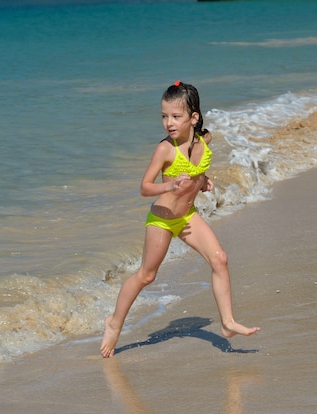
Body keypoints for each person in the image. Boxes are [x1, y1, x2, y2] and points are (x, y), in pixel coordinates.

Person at [100, 81, 259, 358]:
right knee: (146, 275)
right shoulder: (165, 149)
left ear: (193, 118)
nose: (168, 123)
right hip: (162, 219)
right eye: (164, 116)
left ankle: (227, 322)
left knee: (219, 258)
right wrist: (169, 187)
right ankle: (114, 323)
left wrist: (204, 181)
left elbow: (198, 170)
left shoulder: (204, 140)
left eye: (176, 116)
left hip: (187, 217)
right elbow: (144, 187)